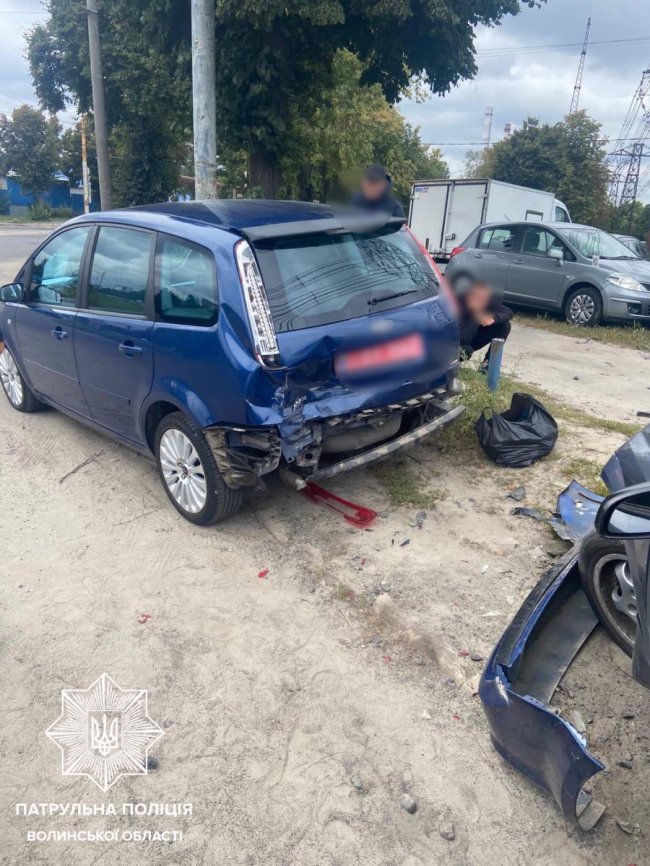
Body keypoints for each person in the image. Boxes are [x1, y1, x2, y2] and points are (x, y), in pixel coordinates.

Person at [459, 280, 512, 370]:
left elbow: (508, 312)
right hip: (457, 344)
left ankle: (487, 366)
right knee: (467, 350)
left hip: (473, 340)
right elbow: (463, 338)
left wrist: (493, 319)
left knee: (504, 326)